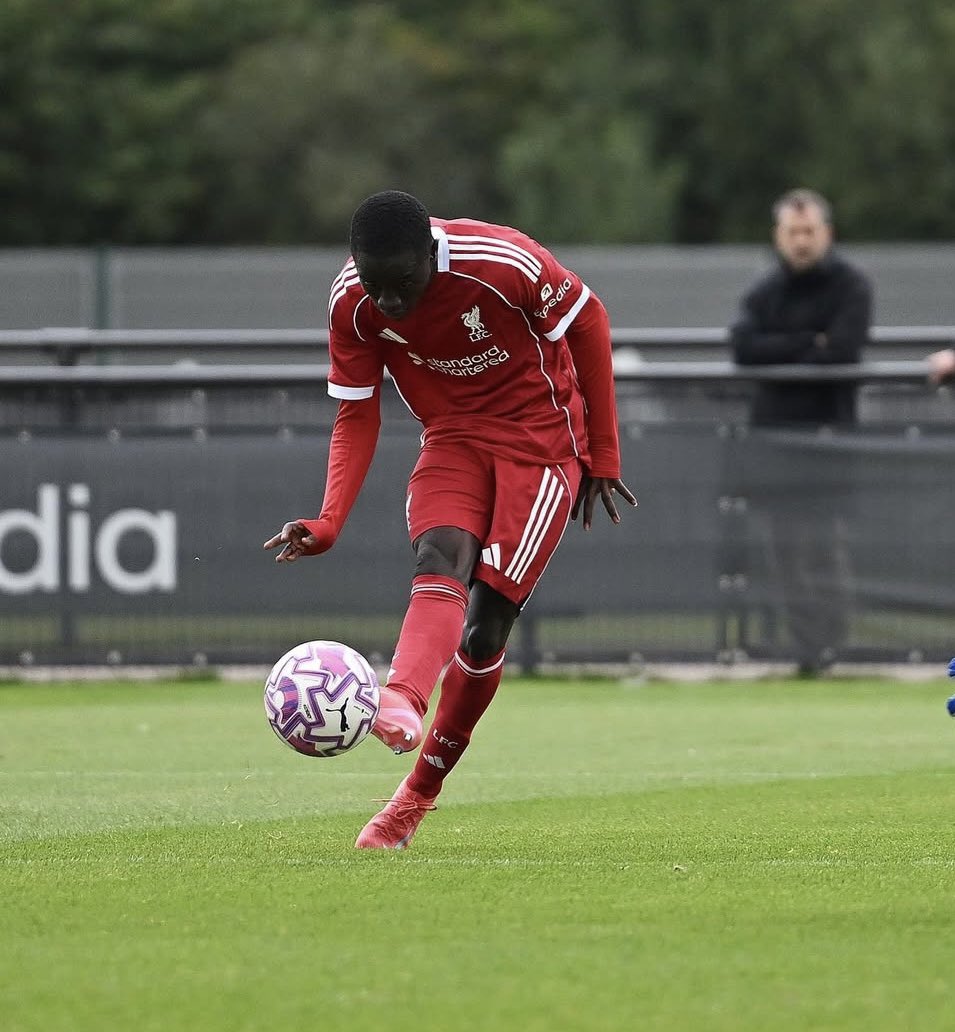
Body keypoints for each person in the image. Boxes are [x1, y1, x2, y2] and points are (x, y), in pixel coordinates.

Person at [263, 190, 636, 848]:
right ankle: (401, 697)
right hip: (452, 438)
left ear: (431, 256)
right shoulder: (352, 302)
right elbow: (357, 414)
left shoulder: (502, 261)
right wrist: (327, 523)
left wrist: (601, 453)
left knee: (486, 627)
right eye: (379, 288)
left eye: (404, 285)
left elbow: (589, 320)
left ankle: (415, 798)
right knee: (438, 556)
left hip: (542, 445)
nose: (393, 304)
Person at [730, 188, 873, 674]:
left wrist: (786, 351)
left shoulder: (852, 285)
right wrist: (808, 342)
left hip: (829, 438)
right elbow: (743, 347)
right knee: (783, 548)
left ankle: (834, 645)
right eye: (793, 232)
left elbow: (843, 352)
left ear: (826, 233)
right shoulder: (764, 289)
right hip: (774, 440)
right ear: (779, 236)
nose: (802, 241)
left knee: (826, 547)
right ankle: (807, 651)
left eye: (810, 231)